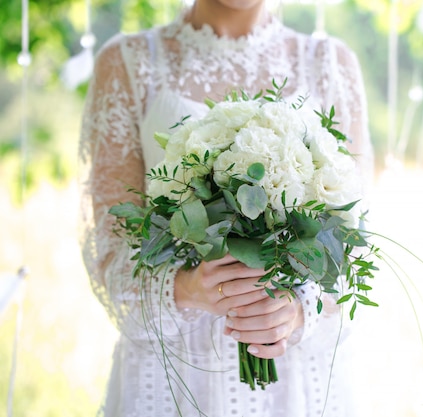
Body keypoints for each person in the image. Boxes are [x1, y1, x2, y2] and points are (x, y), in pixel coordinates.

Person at [79, 0, 373, 416]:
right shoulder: (128, 62)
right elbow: (109, 249)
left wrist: (297, 310)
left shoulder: (330, 63)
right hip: (172, 380)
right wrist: (184, 288)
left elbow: (353, 240)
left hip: (299, 384)